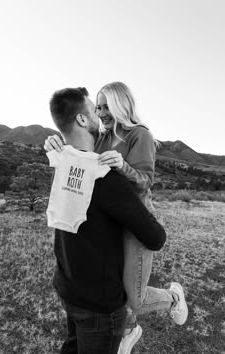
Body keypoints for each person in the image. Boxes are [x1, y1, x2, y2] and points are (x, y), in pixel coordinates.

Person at [45, 83, 188, 354]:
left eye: (106, 106)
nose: (101, 112)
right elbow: (80, 147)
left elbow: (146, 182)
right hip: (110, 213)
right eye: (97, 106)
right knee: (112, 276)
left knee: (135, 296)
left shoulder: (140, 135)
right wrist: (57, 142)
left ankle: (172, 298)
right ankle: (127, 329)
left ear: (121, 105)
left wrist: (122, 167)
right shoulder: (102, 135)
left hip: (135, 214)